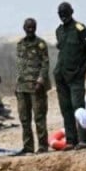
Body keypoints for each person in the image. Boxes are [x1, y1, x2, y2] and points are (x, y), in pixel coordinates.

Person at [53, 2, 86, 148]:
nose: (63, 16)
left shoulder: (79, 28)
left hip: (76, 76)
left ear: (71, 12)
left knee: (78, 107)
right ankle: (71, 140)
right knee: (65, 108)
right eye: (60, 14)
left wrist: (83, 70)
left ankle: (83, 139)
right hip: (61, 75)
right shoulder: (59, 31)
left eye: (66, 13)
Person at [15, 17, 51, 154]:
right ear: (24, 28)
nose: (30, 30)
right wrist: (16, 85)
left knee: (39, 117)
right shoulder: (20, 44)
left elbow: (45, 63)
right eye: (28, 27)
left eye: (33, 27)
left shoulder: (40, 44)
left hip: (37, 87)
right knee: (24, 119)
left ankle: (42, 146)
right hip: (22, 87)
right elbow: (19, 66)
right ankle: (28, 147)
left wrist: (41, 80)